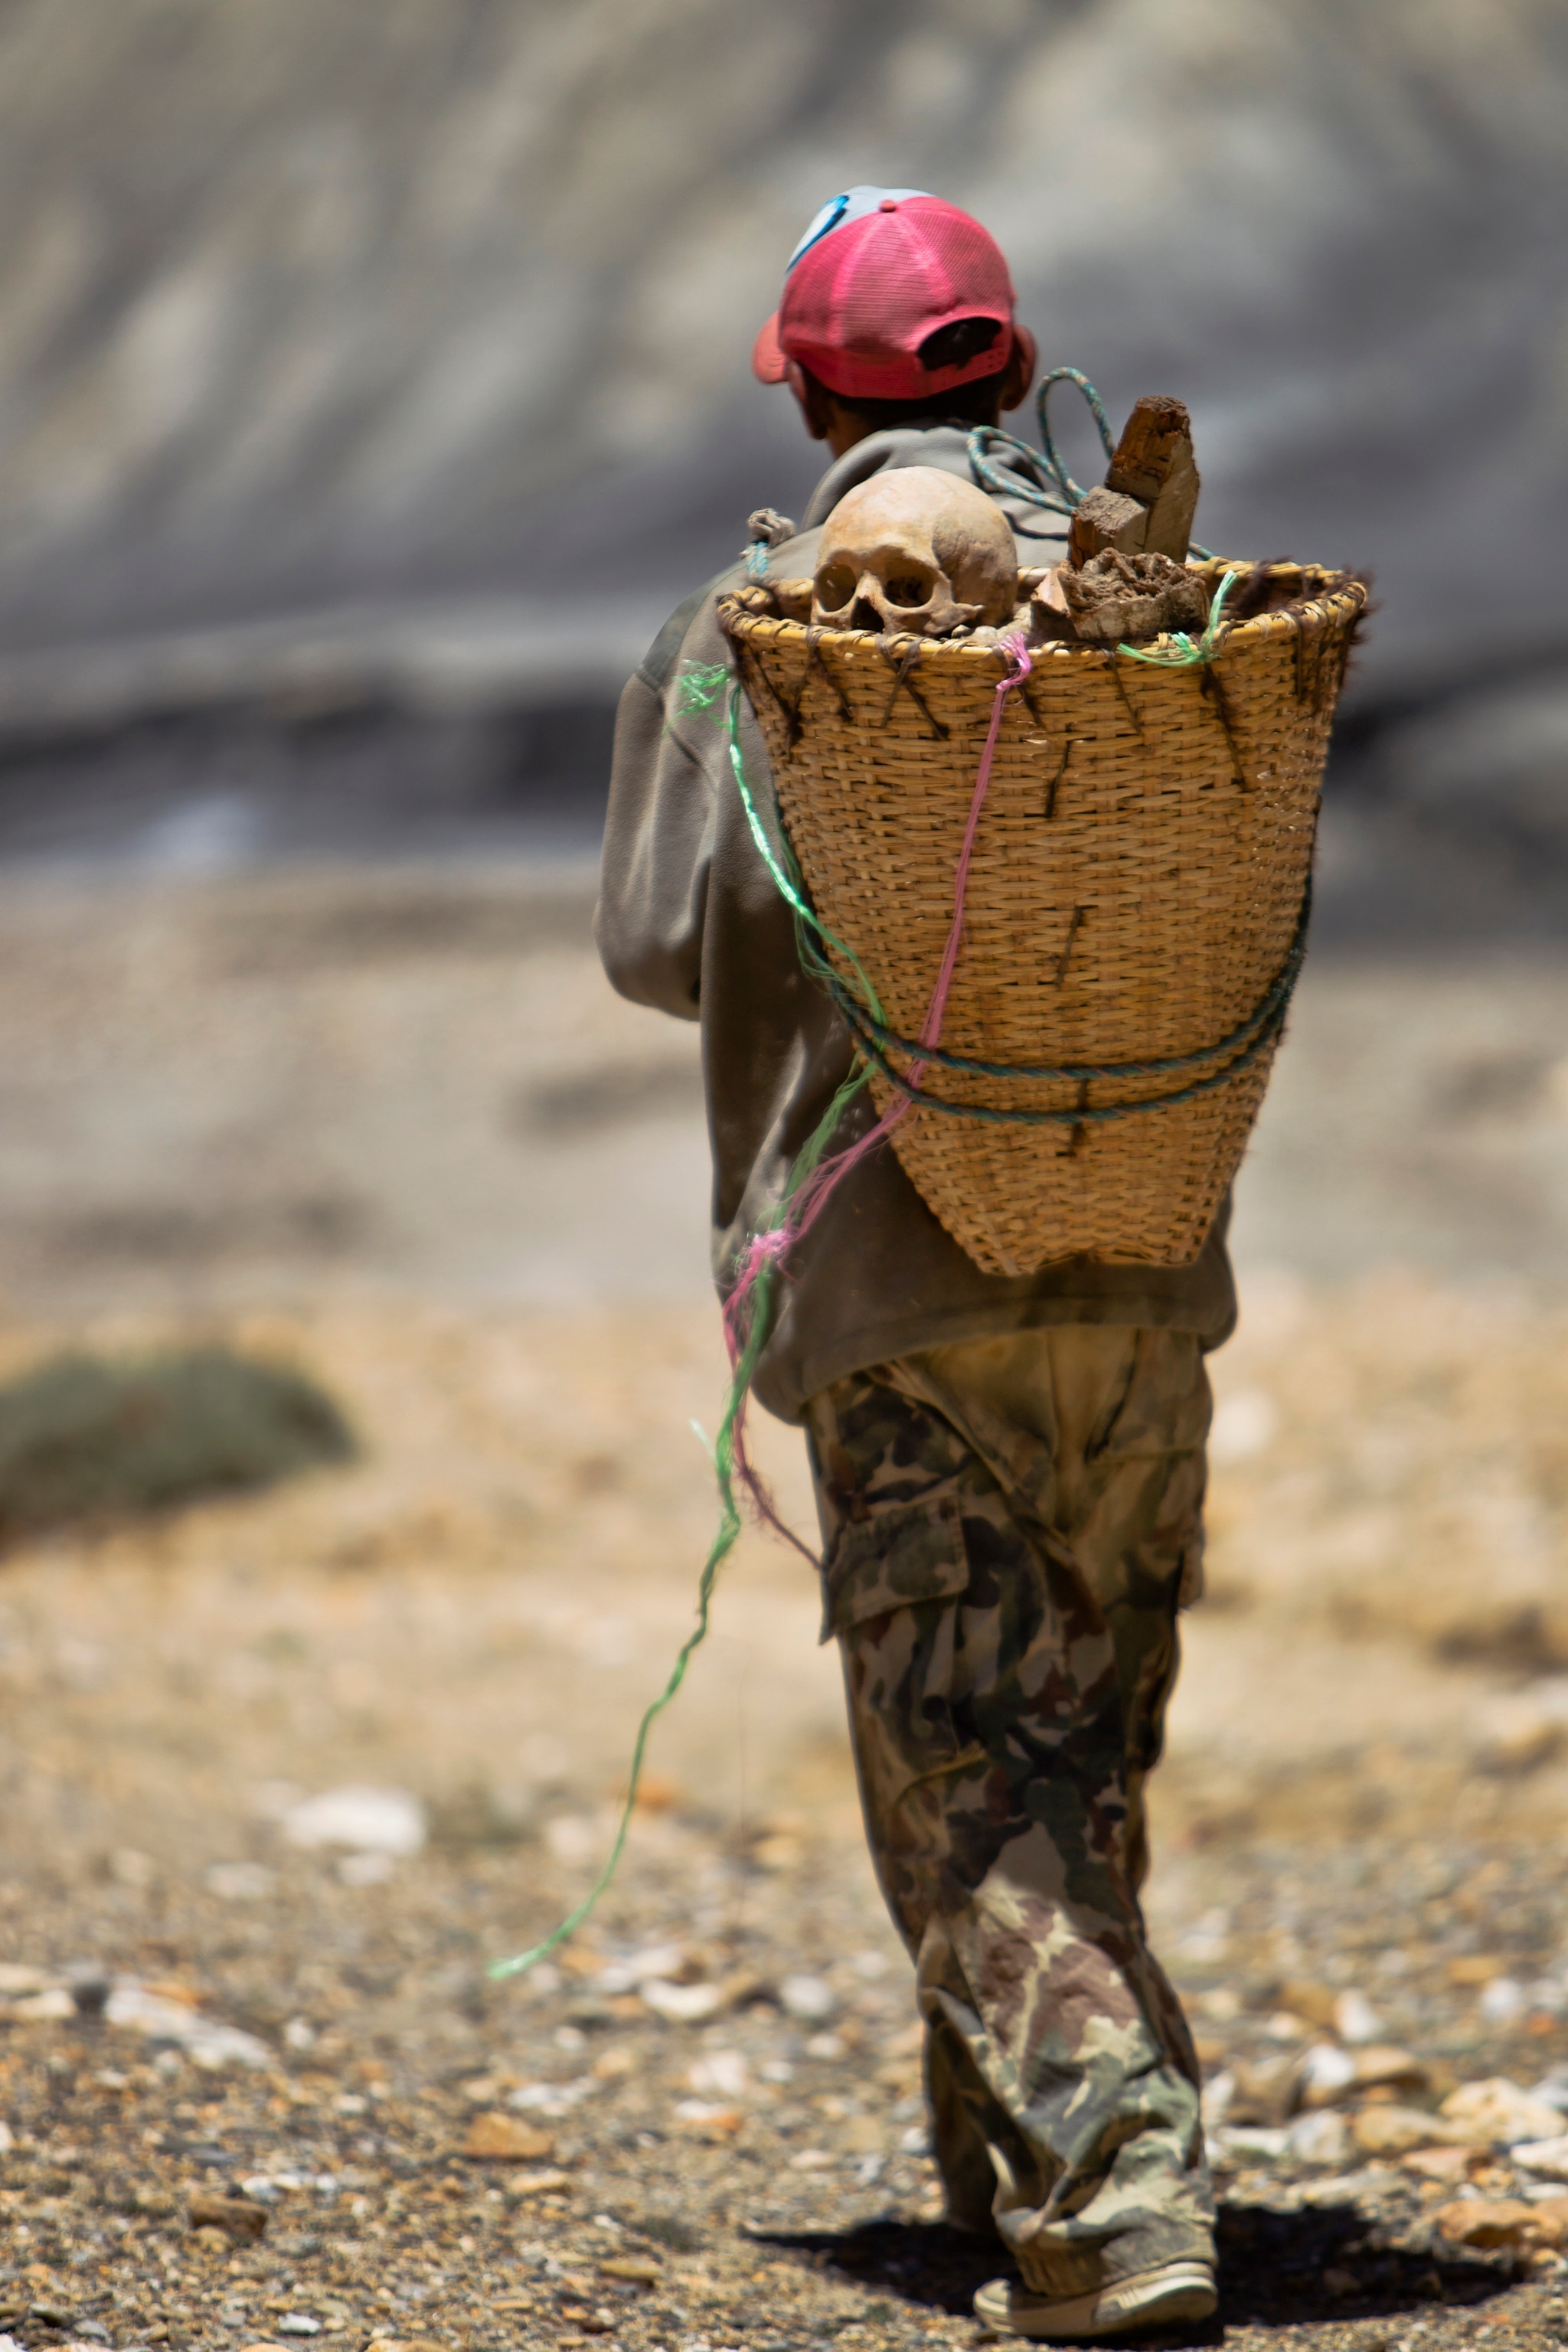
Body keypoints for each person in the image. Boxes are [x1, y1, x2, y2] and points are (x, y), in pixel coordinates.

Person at [596, 188, 1226, 2344]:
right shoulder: (1146, 600)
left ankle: (1117, 2209)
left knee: (966, 1753)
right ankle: (1016, 2166)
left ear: (823, 384)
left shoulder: (768, 613)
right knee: (1078, 1732)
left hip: (900, 1277)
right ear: (1002, 353)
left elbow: (652, 940)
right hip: (1145, 1260)